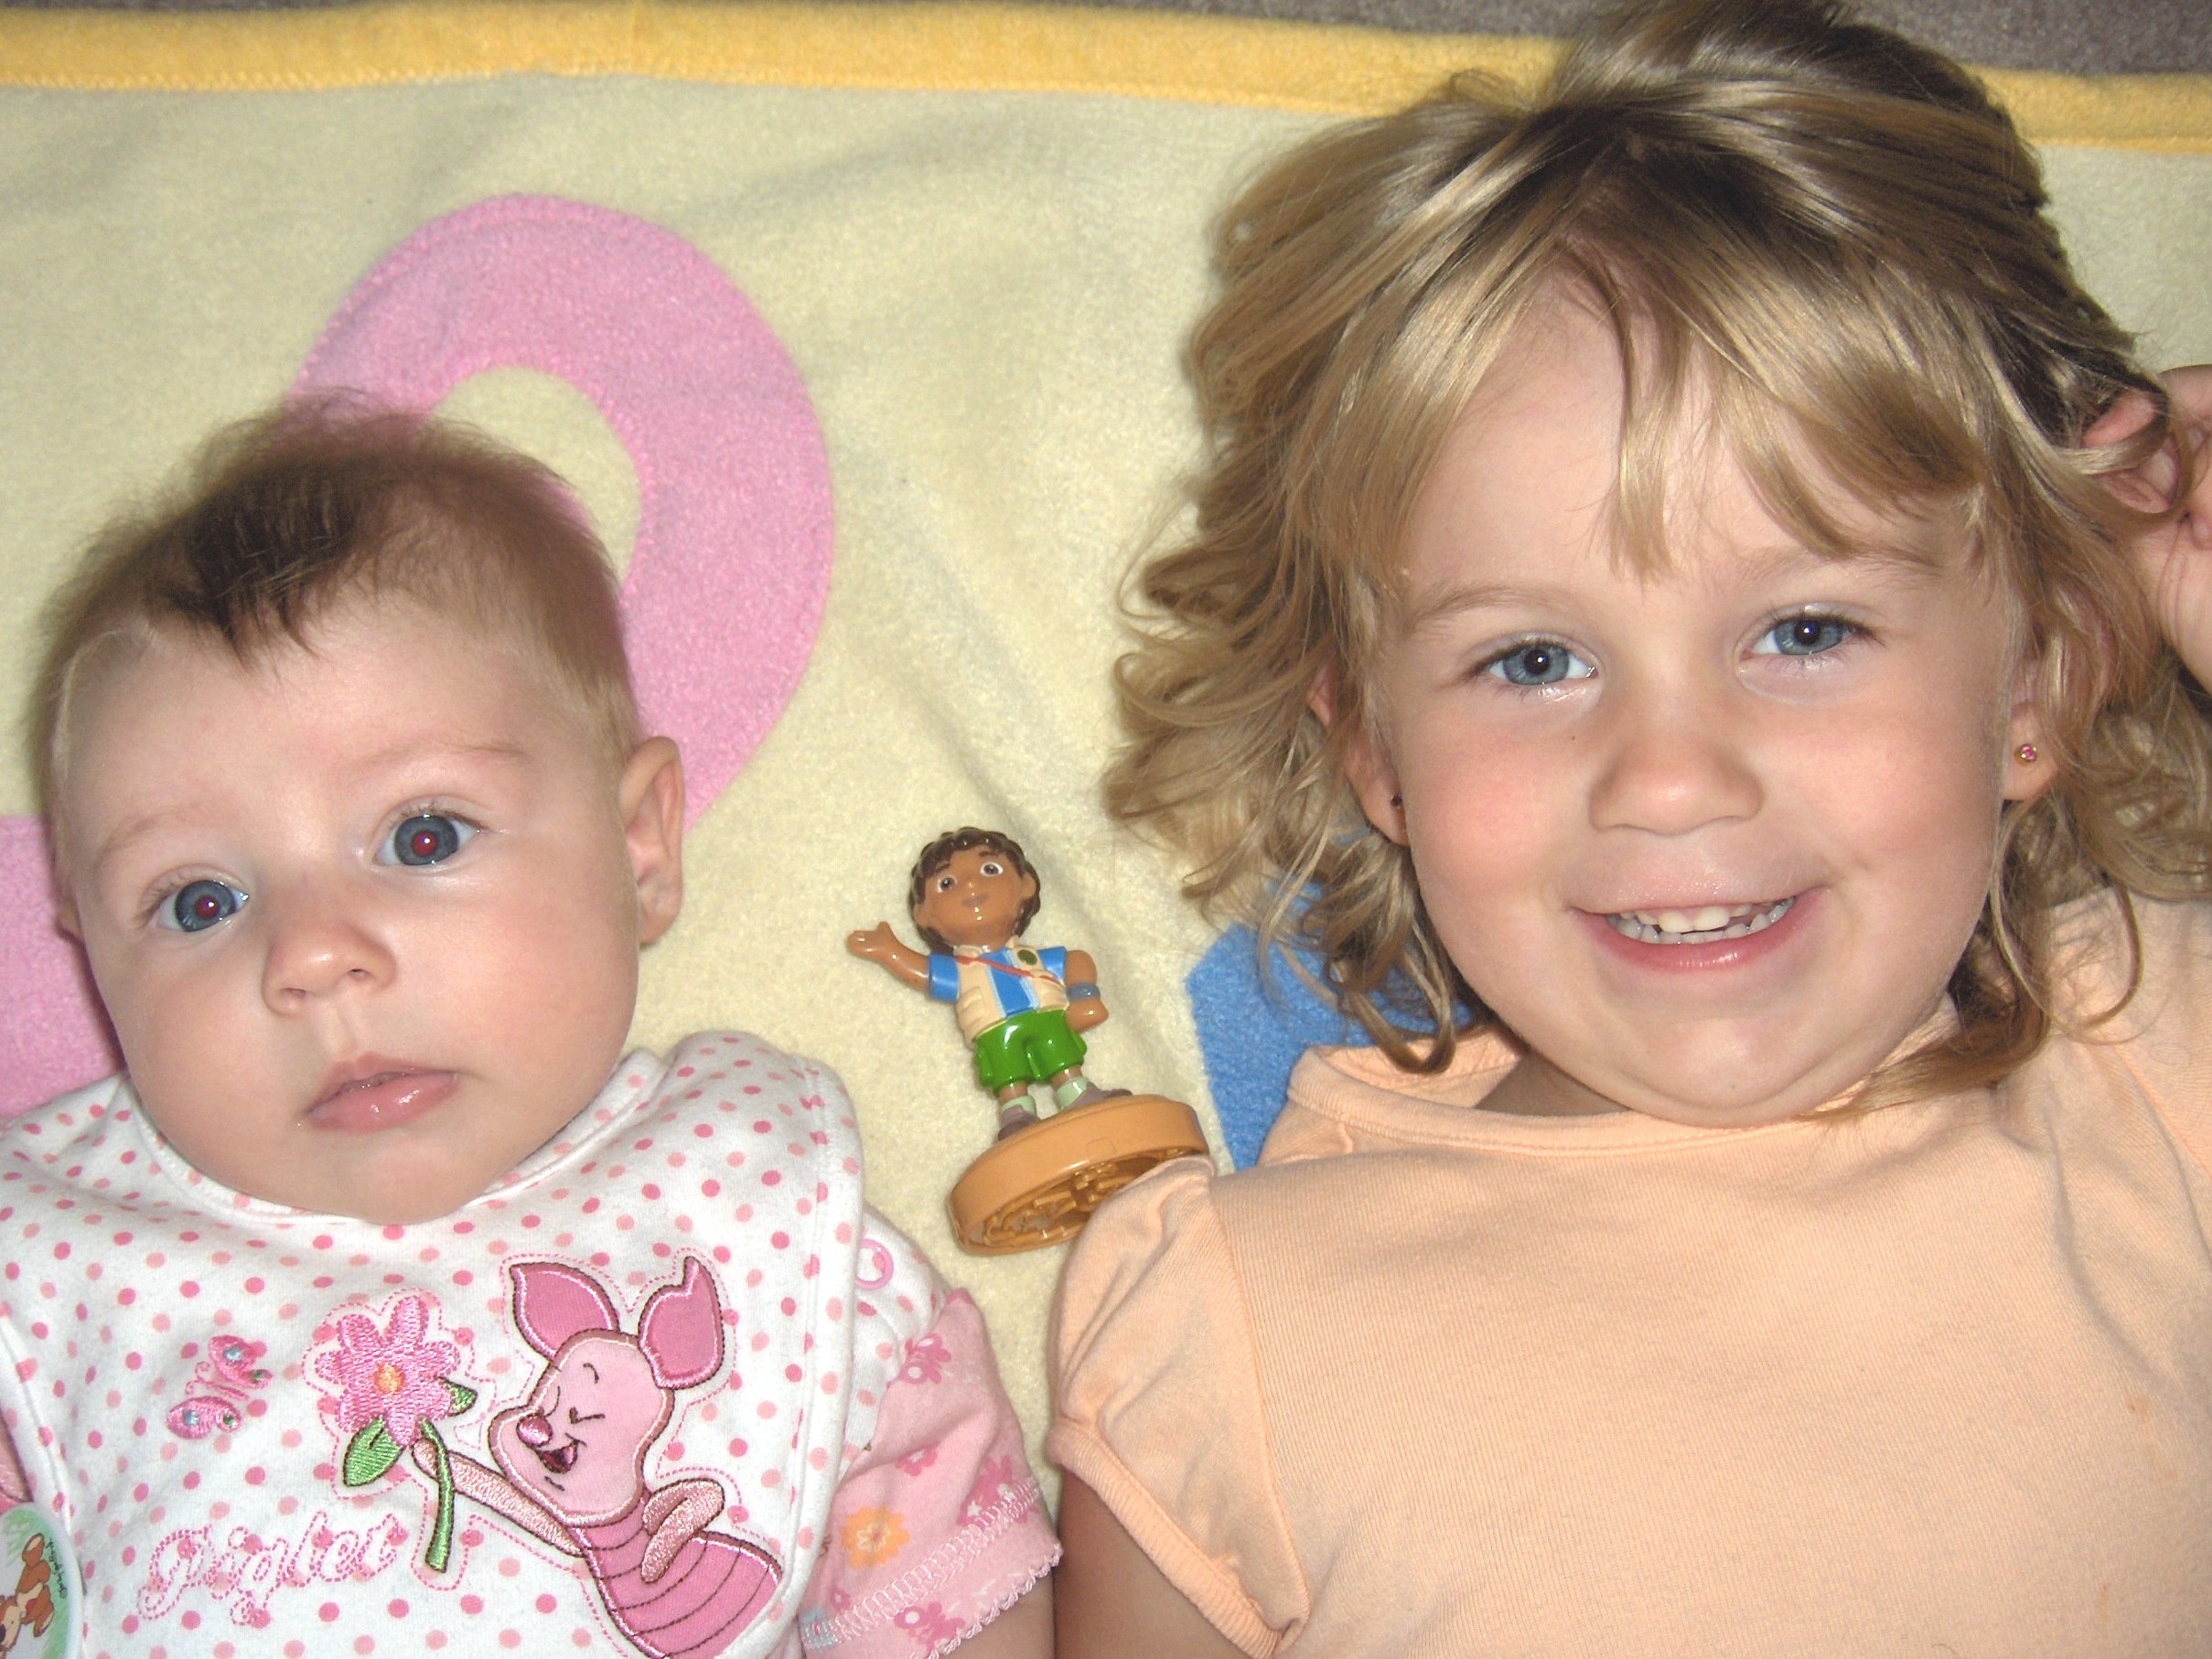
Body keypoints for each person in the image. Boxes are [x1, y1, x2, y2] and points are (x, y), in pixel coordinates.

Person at [1048, 1, 2212, 1653]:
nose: (1668, 779)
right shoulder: (1222, 1322)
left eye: (1802, 629)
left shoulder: (2158, 1066)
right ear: (1373, 744)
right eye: (1532, 659)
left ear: (2033, 676)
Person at [5, 404, 1055, 1657]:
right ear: (90, 951)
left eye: (423, 835)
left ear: (638, 845)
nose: (313, 954)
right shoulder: (54, 1278)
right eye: (199, 902)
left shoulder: (761, 1234)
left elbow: (942, 1592)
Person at [849, 828, 1122, 1139]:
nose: (970, 883)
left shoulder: (1031, 957)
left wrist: (1084, 994)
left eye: (989, 869)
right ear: (924, 915)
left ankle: (1076, 1092)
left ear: (1025, 885)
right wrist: (890, 951)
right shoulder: (961, 969)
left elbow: (1076, 960)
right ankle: (1017, 1113)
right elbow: (923, 973)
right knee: (1007, 1071)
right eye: (946, 883)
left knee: (1060, 1055)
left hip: (1048, 1019)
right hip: (994, 1032)